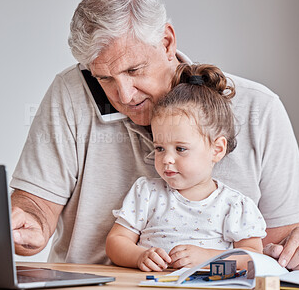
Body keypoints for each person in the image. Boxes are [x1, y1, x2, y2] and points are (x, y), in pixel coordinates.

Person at [10, 0, 299, 270]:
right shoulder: (70, 93)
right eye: (104, 78)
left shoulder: (260, 108)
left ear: (166, 42)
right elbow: (35, 209)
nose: (123, 94)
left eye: (134, 70)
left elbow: (277, 249)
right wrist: (26, 225)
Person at [106, 63, 266, 271]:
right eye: (160, 148)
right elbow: (116, 241)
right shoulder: (146, 193)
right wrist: (139, 256)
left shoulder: (233, 205)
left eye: (180, 149)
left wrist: (208, 258)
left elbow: (253, 256)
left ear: (217, 149)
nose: (167, 159)